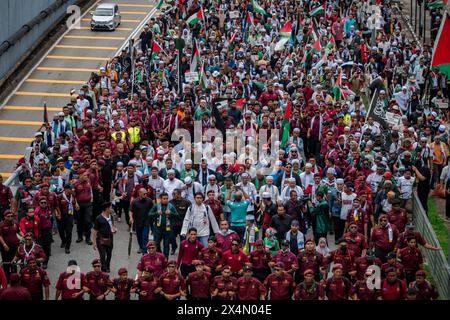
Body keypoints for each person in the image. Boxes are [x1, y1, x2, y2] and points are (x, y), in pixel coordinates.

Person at [149, 193, 179, 257]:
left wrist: (171, 213)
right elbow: (149, 214)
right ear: (160, 199)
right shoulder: (156, 206)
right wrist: (156, 213)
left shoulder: (170, 206)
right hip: (157, 229)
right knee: (156, 244)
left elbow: (177, 216)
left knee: (166, 245)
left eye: (167, 198)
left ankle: (165, 259)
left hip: (167, 229)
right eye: (164, 199)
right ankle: (160, 256)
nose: (166, 200)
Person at [92, 202, 117, 273]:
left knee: (109, 254)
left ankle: (107, 266)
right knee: (102, 255)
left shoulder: (111, 217)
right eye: (111, 207)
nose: (112, 209)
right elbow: (94, 231)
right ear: (107, 209)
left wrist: (114, 229)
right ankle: (103, 267)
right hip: (101, 239)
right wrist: (94, 243)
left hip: (110, 238)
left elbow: (112, 226)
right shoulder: (98, 218)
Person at [129, 188, 153, 254]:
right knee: (139, 236)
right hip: (137, 222)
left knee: (145, 237)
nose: (146, 195)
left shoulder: (149, 200)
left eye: (146, 193)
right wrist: (131, 218)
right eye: (144, 193)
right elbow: (131, 211)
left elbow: (153, 209)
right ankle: (141, 247)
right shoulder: (134, 201)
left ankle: (144, 253)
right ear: (139, 193)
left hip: (146, 222)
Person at [56, 184, 77, 254]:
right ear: (66, 189)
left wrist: (76, 205)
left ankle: (67, 247)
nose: (72, 190)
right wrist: (58, 214)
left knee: (69, 231)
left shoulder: (73, 195)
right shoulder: (59, 196)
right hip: (61, 216)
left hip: (70, 215)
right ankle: (63, 241)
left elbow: (75, 202)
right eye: (71, 189)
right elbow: (56, 206)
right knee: (61, 230)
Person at [0, 210, 20, 277]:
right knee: (6, 262)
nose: (10, 218)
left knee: (14, 262)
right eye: (8, 216)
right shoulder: (1, 225)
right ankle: (7, 278)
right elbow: (0, 236)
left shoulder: (15, 223)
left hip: (15, 246)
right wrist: (4, 244)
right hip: (5, 247)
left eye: (11, 216)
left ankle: (14, 277)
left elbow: (18, 232)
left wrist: (24, 237)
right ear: (5, 217)